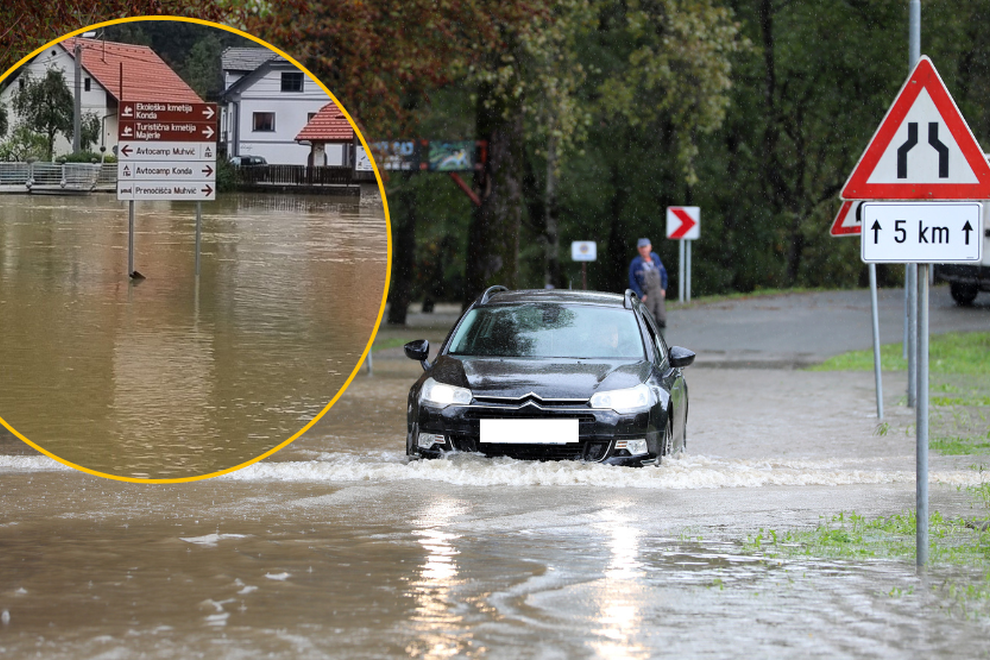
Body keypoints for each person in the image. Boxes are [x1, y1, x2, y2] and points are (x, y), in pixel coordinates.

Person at [628, 238, 667, 327]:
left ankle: (661, 338)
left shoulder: (655, 258)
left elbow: (663, 273)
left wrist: (663, 288)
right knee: (647, 319)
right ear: (638, 249)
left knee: (661, 317)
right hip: (646, 294)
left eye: (645, 247)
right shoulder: (635, 263)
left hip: (658, 291)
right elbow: (632, 281)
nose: (643, 249)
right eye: (641, 247)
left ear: (650, 247)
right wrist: (641, 296)